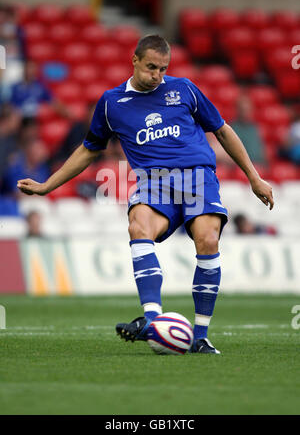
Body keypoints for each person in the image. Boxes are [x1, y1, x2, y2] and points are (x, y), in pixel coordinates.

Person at [17, 35, 274, 354]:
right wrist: (47, 185)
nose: (157, 75)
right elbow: (88, 150)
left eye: (163, 69)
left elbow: (222, 129)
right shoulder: (112, 104)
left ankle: (200, 336)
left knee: (207, 239)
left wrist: (254, 176)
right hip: (155, 184)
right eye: (151, 67)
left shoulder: (185, 90)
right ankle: (153, 322)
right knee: (138, 225)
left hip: (197, 177)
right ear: (135, 61)